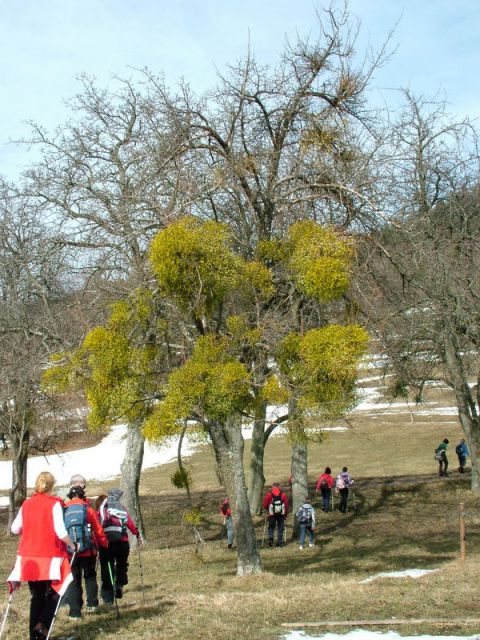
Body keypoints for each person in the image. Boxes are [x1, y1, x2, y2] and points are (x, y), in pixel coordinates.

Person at [8, 471, 77, 640]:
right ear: (52, 486)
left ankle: (35, 634)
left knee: (37, 595)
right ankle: (43, 624)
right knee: (56, 591)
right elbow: (61, 531)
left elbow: (14, 528)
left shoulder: (27, 503)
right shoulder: (53, 504)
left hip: (29, 557)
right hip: (49, 555)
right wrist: (72, 544)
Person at [63, 484, 109, 618]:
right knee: (90, 577)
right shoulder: (87, 508)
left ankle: (75, 612)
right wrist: (104, 544)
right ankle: (92, 604)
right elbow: (97, 528)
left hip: (71, 552)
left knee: (74, 581)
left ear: (70, 496)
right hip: (88, 550)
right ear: (83, 495)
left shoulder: (64, 509)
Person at [98, 488, 139, 604]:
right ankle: (119, 584)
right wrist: (136, 533)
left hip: (106, 543)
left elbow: (96, 523)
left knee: (107, 567)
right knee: (122, 564)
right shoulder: (121, 508)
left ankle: (108, 597)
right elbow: (129, 523)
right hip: (122, 541)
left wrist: (96, 540)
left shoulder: (102, 508)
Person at [262, 483, 289, 547]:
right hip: (281, 514)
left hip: (271, 514)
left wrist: (267, 509)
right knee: (280, 528)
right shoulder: (283, 494)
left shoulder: (269, 494)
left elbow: (265, 504)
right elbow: (286, 505)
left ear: (272, 486)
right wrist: (286, 514)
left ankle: (271, 537)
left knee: (271, 527)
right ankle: (279, 542)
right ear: (278, 486)